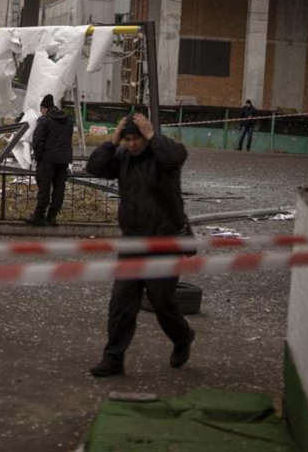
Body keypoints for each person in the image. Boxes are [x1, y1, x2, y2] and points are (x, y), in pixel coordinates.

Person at [85, 113, 195, 377]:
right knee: (121, 303)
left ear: (145, 137)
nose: (132, 145)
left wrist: (152, 135)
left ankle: (183, 337)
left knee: (162, 303)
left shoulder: (163, 157)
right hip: (133, 242)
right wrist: (112, 142)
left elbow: (177, 156)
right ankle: (113, 359)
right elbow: (95, 168)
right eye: (128, 139)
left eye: (136, 139)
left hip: (163, 242)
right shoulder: (122, 157)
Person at [25, 94, 74, 226]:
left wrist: (39, 156)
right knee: (59, 188)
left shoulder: (45, 120)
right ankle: (52, 216)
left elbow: (37, 141)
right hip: (63, 160)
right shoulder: (68, 120)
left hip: (47, 160)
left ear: (44, 108)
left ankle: (39, 215)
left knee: (44, 188)